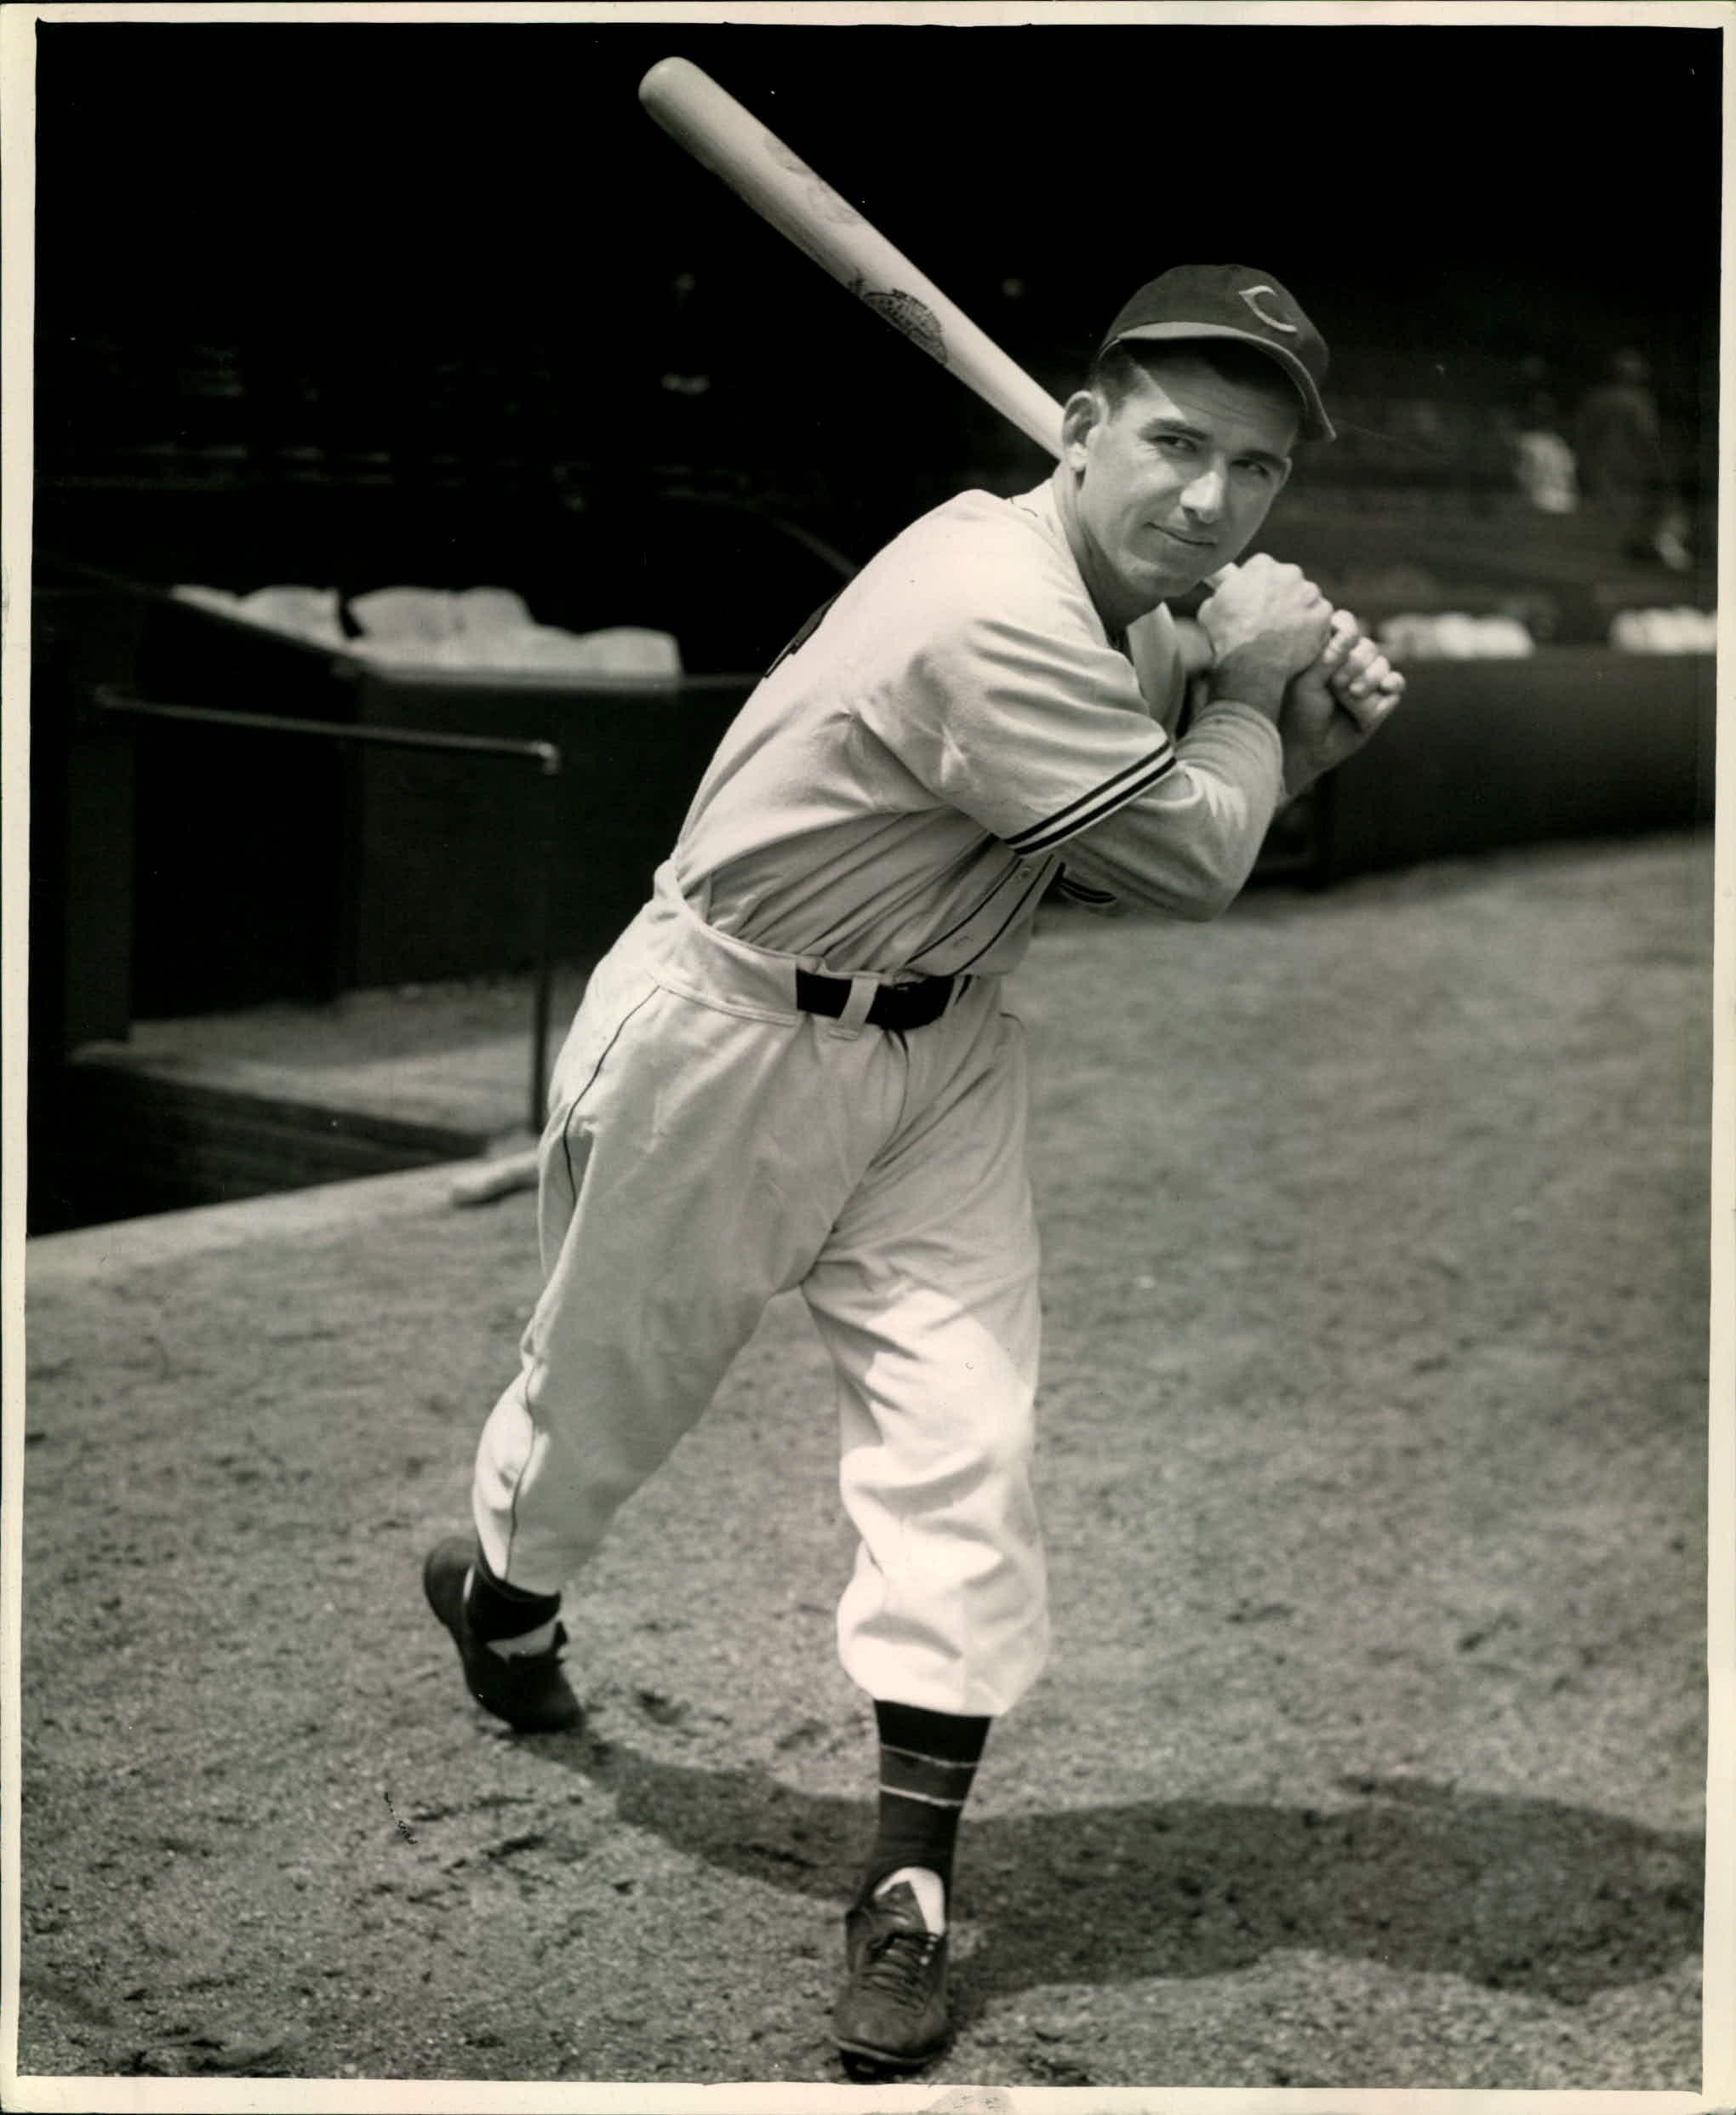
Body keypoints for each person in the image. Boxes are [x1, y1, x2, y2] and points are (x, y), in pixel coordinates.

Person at [424, 262, 1404, 2076]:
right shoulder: (979, 598)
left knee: (968, 1441)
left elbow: (1197, 814)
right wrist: (1263, 690)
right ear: (1086, 429)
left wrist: (1290, 723)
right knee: (602, 1418)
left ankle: (909, 1886)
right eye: (1179, 445)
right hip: (723, 1032)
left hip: (946, 1052)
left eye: (1257, 471)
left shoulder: (1161, 600)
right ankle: (506, 1592)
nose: (1213, 500)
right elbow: (1188, 860)